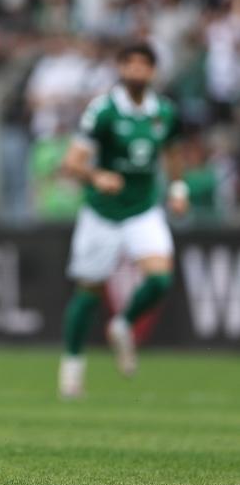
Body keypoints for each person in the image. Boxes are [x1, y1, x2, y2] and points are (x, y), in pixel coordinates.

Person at [58, 42, 188, 399]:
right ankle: (72, 368)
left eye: (143, 65)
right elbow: (71, 163)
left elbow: (173, 152)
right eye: (129, 64)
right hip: (102, 212)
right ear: (120, 69)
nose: (136, 71)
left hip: (143, 208)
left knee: (161, 278)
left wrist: (177, 188)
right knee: (88, 292)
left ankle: (123, 323)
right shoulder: (103, 111)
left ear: (153, 71)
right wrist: (95, 176)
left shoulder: (164, 111)